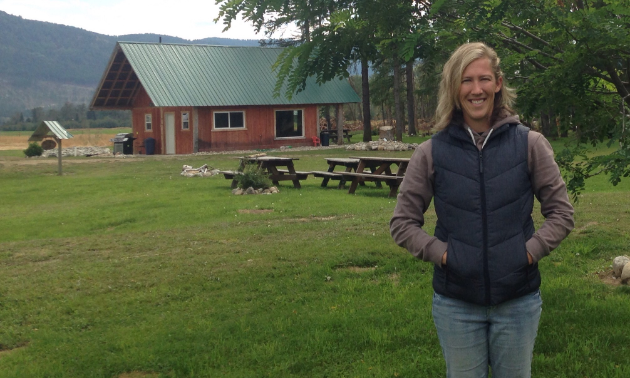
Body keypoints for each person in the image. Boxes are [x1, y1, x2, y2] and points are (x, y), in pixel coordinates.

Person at [390, 42, 574, 378]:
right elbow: (402, 223)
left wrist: (527, 254)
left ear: (498, 83)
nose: (477, 89)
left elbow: (561, 213)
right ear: (454, 88)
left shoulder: (530, 144)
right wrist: (444, 255)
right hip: (455, 305)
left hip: (518, 301)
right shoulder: (431, 152)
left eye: (484, 79)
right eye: (466, 80)